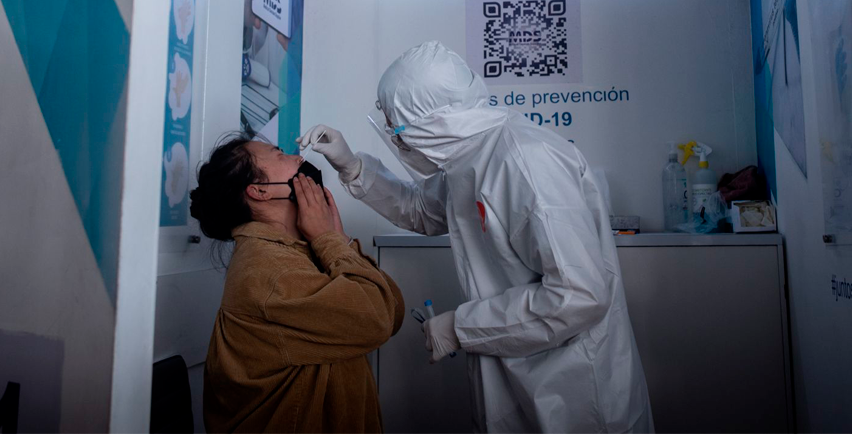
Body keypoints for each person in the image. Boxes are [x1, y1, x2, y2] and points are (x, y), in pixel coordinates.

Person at [298, 41, 653, 433]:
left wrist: (461, 327)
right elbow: (422, 210)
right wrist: (352, 166)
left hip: (571, 384)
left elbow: (579, 295)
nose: (398, 141)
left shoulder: (526, 162)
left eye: (398, 130)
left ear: (433, 123)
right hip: (521, 367)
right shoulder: (469, 158)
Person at [190, 133, 404, 433]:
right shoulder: (272, 271)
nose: (299, 158)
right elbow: (378, 320)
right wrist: (329, 240)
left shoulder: (299, 251)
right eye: (280, 154)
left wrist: (338, 241)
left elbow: (394, 314)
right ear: (259, 191)